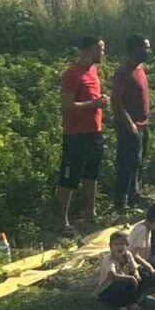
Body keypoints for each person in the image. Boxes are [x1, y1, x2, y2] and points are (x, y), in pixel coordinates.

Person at [57, 36, 109, 236]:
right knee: (69, 177)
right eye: (100, 49)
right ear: (89, 50)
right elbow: (67, 105)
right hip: (75, 134)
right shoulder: (72, 74)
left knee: (91, 172)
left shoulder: (93, 70)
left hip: (94, 131)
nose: (103, 53)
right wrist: (94, 104)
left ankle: (90, 212)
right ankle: (62, 221)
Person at [111, 34, 152, 211]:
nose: (149, 51)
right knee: (127, 163)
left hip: (143, 124)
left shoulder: (140, 69)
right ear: (135, 48)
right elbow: (116, 101)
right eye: (146, 47)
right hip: (128, 126)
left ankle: (135, 194)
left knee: (138, 162)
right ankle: (121, 202)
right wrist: (130, 124)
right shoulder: (122, 72)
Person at [95, 229, 155, 310]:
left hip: (125, 283)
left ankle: (144, 298)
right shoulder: (109, 259)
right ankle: (123, 306)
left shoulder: (128, 255)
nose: (119, 247)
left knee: (143, 275)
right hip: (108, 290)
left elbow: (135, 268)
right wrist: (131, 278)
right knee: (127, 283)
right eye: (116, 244)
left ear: (127, 245)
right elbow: (112, 276)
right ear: (111, 246)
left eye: (122, 244)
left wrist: (137, 274)